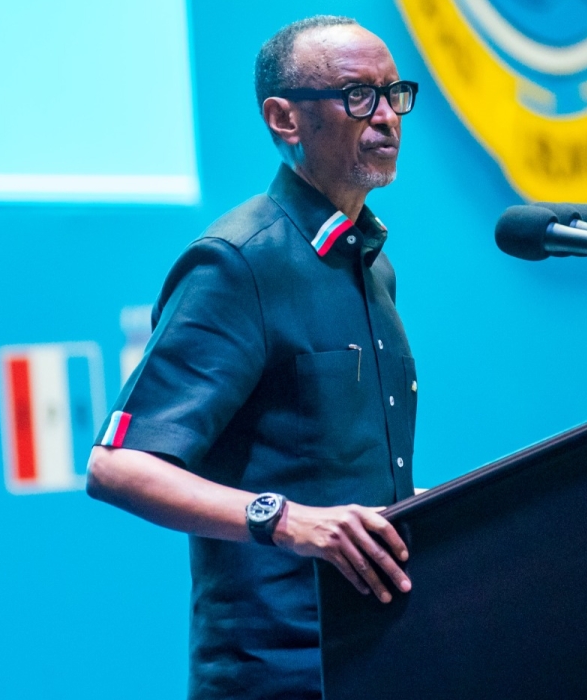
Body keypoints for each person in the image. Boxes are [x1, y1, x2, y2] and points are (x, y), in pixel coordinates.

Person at [86, 15, 420, 700]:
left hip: (380, 658)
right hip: (276, 675)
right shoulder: (239, 263)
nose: (386, 116)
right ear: (284, 118)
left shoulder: (369, 264)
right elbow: (118, 464)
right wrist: (285, 519)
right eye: (359, 95)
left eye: (394, 93)